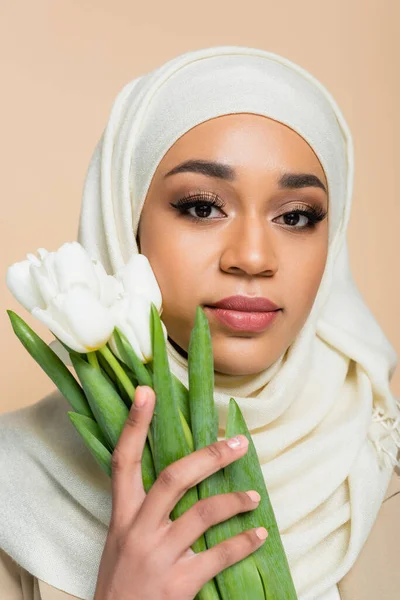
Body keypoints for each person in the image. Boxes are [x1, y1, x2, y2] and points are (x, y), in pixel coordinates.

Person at [1, 45, 399, 600]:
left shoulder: (382, 470)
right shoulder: (12, 488)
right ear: (125, 221)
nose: (253, 257)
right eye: (202, 207)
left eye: (296, 216)